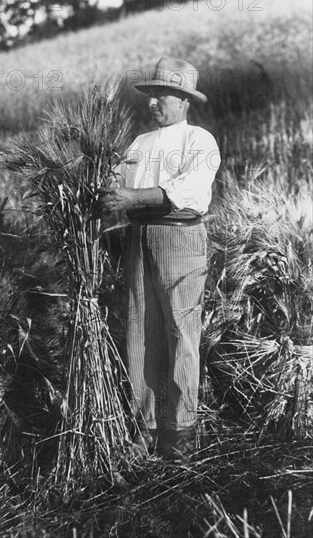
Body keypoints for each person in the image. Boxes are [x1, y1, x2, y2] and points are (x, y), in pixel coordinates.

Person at [98, 57, 221, 462]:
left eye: (163, 95)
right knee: (140, 331)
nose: (154, 102)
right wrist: (105, 187)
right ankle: (144, 428)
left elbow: (189, 190)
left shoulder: (199, 140)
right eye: (151, 95)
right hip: (139, 237)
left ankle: (180, 434)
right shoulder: (139, 144)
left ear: (185, 100)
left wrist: (131, 197)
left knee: (180, 332)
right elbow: (114, 181)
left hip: (180, 236)